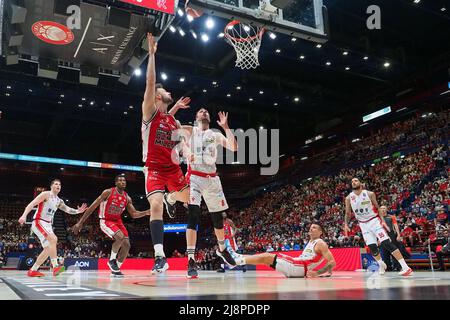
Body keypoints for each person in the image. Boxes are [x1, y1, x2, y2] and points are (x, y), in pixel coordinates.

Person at [141, 33, 190, 274]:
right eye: (166, 91)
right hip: (154, 168)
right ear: (159, 96)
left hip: (173, 168)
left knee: (189, 199)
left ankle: (173, 198)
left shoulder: (171, 121)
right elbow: (151, 84)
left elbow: (177, 131)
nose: (170, 92)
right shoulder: (150, 112)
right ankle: (160, 256)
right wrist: (151, 54)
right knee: (156, 205)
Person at [169, 107, 238, 278]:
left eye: (206, 111)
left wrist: (226, 127)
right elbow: (172, 126)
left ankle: (222, 249)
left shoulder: (215, 134)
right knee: (194, 214)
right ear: (196, 117)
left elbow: (234, 147)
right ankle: (191, 259)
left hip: (212, 178)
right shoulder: (191, 130)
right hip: (194, 177)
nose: (204, 111)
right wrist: (185, 146)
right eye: (200, 111)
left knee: (217, 218)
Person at [72, 174, 150, 277]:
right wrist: (80, 222)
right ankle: (112, 260)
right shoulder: (108, 192)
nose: (123, 182)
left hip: (118, 221)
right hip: (105, 220)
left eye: (124, 181)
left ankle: (116, 268)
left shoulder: (127, 198)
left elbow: (134, 214)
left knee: (127, 245)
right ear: (116, 183)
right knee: (120, 237)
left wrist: (146, 212)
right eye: (121, 180)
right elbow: (92, 207)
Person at [18, 179, 87, 277]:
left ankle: (33, 270)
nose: (58, 185)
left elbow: (67, 209)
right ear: (51, 186)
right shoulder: (45, 194)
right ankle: (55, 267)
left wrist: (78, 211)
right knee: (54, 239)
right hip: (39, 221)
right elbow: (32, 204)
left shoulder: (59, 201)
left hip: (48, 224)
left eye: (60, 184)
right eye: (56, 184)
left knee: (48, 249)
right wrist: (24, 216)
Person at [344, 178, 413, 276]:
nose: (353, 182)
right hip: (363, 224)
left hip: (374, 221)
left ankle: (406, 267)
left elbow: (377, 208)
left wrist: (383, 221)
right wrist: (346, 224)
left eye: (356, 180)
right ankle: (381, 264)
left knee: (386, 243)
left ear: (360, 183)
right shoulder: (348, 198)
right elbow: (347, 213)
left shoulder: (369, 194)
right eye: (352, 182)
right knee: (372, 247)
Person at [220, 224, 336, 278]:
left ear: (321, 232)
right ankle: (237, 258)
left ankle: (235, 261)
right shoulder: (311, 242)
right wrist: (327, 272)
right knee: (265, 261)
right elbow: (327, 265)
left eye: (315, 227)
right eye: (311, 227)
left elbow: (332, 262)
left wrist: (318, 273)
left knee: (267, 256)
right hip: (298, 266)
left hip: (300, 267)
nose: (311, 228)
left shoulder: (320, 243)